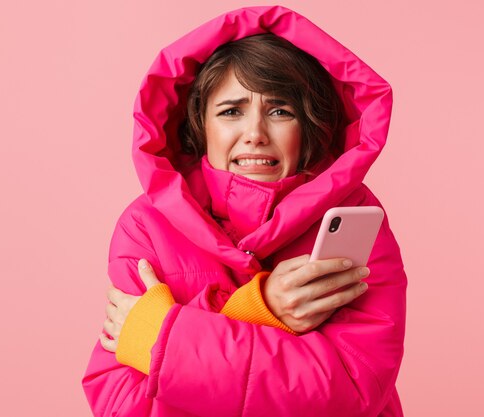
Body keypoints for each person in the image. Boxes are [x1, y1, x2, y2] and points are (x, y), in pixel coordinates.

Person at [82, 5, 407, 417]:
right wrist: (258, 308)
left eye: (279, 111)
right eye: (231, 111)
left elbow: (349, 393)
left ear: (307, 125)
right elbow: (123, 404)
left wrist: (163, 337)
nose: (254, 133)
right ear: (200, 123)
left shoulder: (356, 217)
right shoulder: (145, 226)